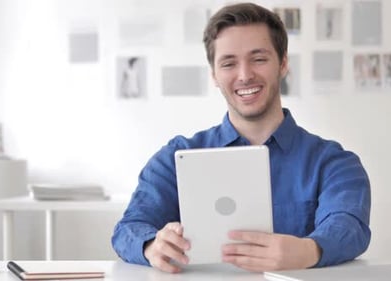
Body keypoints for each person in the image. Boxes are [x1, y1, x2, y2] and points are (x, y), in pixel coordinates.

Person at [112, 2, 371, 274]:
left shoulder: (334, 163)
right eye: (229, 63)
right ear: (214, 75)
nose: (245, 75)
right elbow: (128, 229)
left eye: (259, 59)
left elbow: (349, 226)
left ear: (282, 64)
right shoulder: (176, 157)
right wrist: (151, 245)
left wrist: (309, 250)